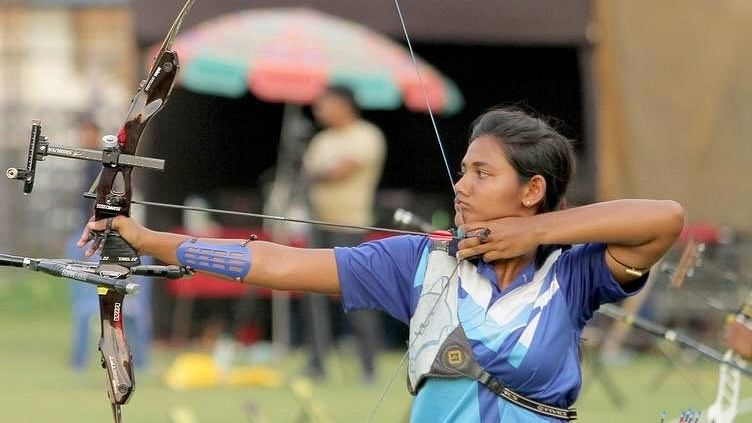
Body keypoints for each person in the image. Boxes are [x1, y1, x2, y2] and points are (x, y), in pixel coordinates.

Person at [79, 107, 684, 421]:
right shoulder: (419, 263)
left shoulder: (571, 277)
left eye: (482, 173)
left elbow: (664, 218)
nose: (461, 185)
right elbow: (279, 265)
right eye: (463, 169)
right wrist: (150, 239)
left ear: (531, 190)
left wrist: (536, 232)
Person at [300, 86, 387, 382]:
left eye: (325, 104)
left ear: (344, 105)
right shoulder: (321, 140)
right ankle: (316, 364)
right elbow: (306, 173)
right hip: (317, 225)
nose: (319, 111)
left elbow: (339, 172)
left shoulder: (367, 135)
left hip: (349, 228)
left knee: (355, 295)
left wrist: (316, 175)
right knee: (313, 296)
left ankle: (368, 365)